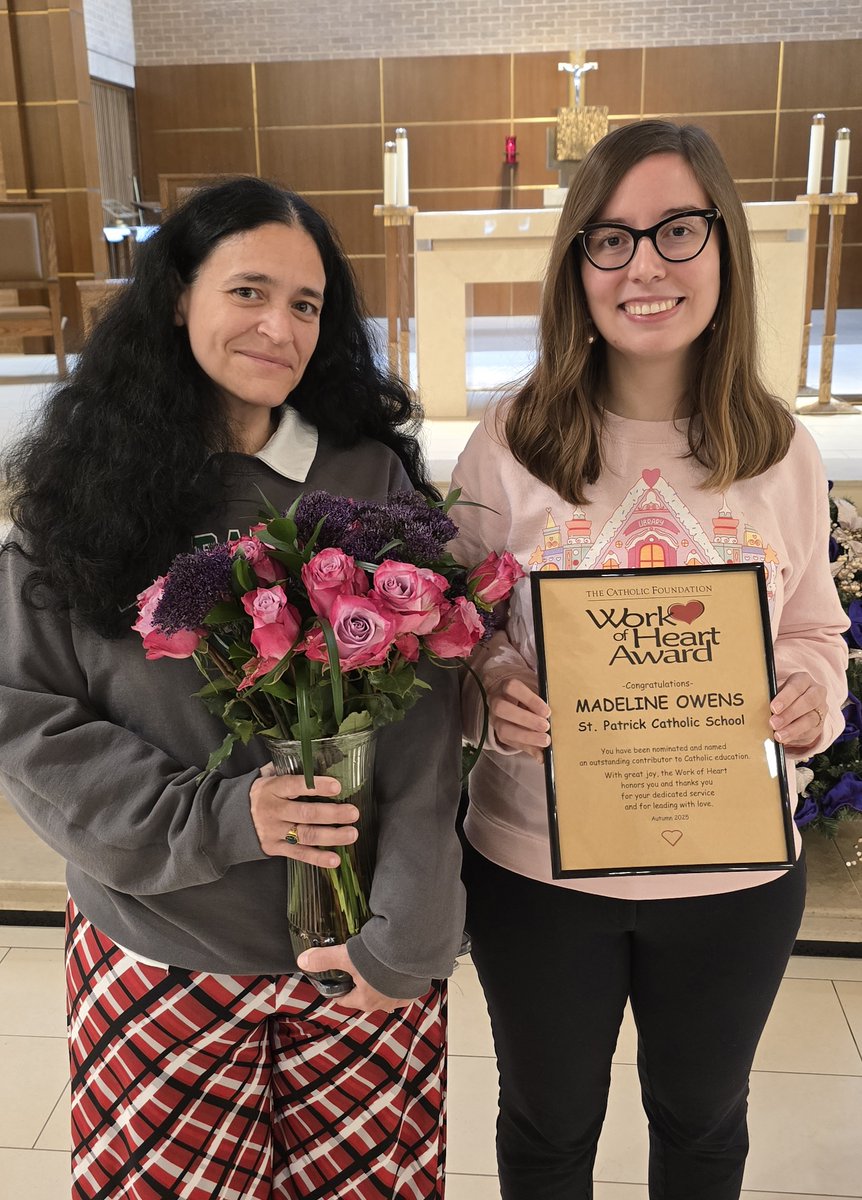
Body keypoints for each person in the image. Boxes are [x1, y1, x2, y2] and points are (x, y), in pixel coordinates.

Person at [0, 177, 464, 1200]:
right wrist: (222, 816)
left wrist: (415, 930)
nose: (279, 325)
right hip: (162, 942)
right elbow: (27, 718)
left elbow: (428, 712)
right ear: (177, 295)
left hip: (358, 953)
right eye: (248, 290)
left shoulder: (362, 476)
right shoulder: (80, 486)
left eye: (306, 304)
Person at [450, 120, 849, 1200]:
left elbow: (811, 623)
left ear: (722, 246)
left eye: (677, 231)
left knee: (703, 1120)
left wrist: (812, 694)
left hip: (731, 869)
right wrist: (490, 684)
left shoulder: (779, 450)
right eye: (609, 239)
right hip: (538, 868)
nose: (644, 268)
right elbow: (457, 627)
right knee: (545, 1125)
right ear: (574, 265)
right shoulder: (509, 441)